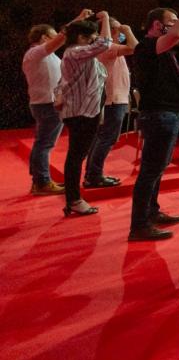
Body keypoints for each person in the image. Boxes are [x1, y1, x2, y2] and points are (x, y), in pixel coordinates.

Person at [129, 0, 179, 241]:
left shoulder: (161, 51)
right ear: (157, 25)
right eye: (170, 21)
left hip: (166, 113)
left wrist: (178, 108)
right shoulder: (147, 47)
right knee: (150, 171)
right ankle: (139, 225)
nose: (175, 26)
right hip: (158, 115)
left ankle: (152, 211)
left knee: (156, 169)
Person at [23, 9, 89, 195]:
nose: (58, 38)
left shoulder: (44, 55)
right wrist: (78, 20)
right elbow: (62, 36)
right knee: (45, 144)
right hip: (47, 104)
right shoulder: (35, 52)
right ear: (44, 37)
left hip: (48, 103)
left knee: (43, 143)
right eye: (53, 35)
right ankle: (42, 182)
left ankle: (40, 178)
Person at [57, 13, 112, 216]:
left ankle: (74, 199)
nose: (95, 40)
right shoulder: (75, 52)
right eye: (92, 36)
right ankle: (73, 200)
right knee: (75, 157)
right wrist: (105, 18)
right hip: (81, 112)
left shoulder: (78, 54)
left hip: (85, 111)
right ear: (81, 37)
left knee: (77, 155)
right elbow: (105, 43)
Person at [84, 18, 137, 189]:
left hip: (113, 98)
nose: (119, 31)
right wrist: (127, 30)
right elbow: (135, 47)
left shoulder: (111, 48)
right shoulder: (107, 48)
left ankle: (93, 174)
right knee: (106, 138)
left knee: (102, 138)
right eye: (116, 29)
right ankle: (94, 176)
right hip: (112, 99)